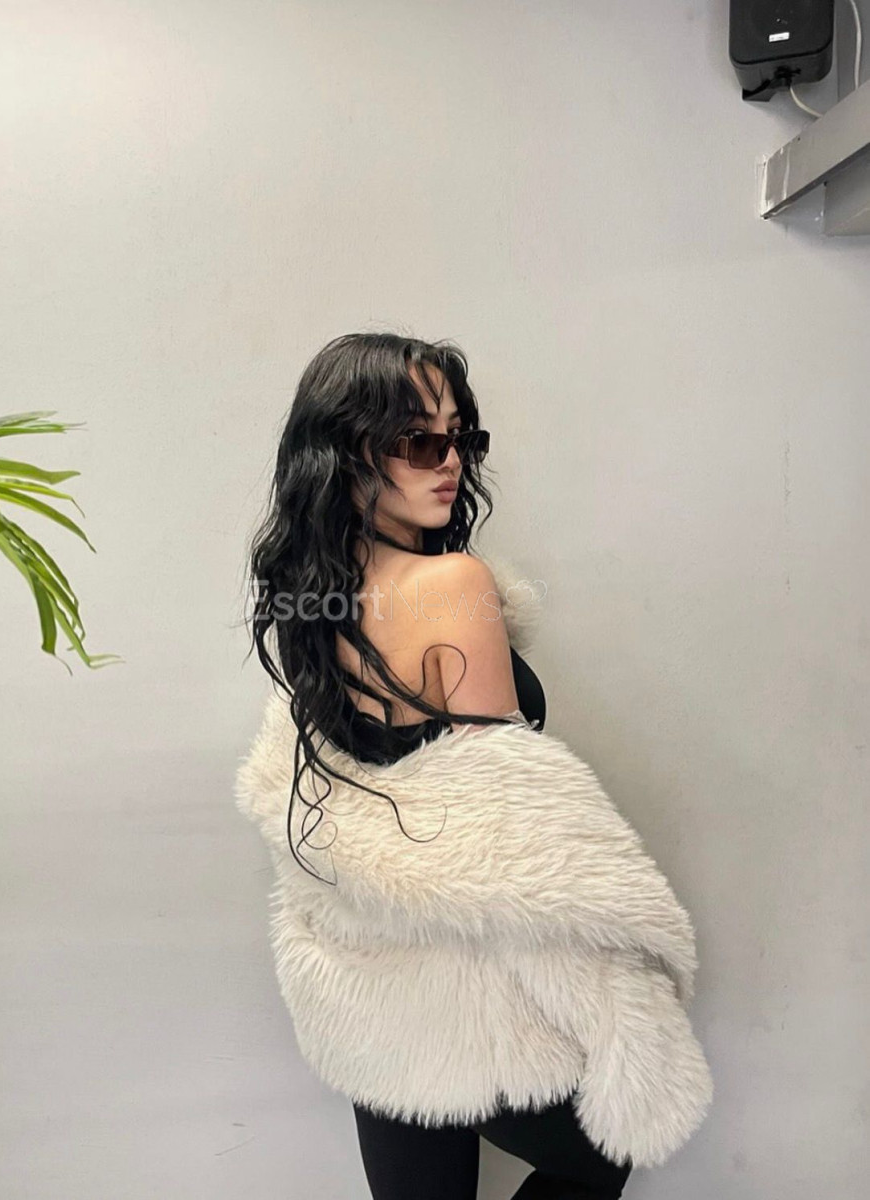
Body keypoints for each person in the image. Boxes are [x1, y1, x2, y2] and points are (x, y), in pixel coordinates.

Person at [234, 332, 713, 1199]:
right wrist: (612, 991)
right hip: (465, 990)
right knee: (602, 1151)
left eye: (461, 438)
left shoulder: (315, 602)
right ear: (347, 451)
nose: (449, 460)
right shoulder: (452, 584)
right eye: (417, 441)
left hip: (366, 984)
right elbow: (505, 827)